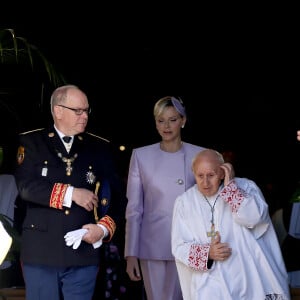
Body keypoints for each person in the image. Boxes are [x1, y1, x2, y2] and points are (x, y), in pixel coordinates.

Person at [14, 84, 124, 300]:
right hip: (41, 252)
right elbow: (26, 188)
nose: (84, 116)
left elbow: (118, 197)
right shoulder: (32, 142)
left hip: (83, 252)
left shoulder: (99, 148)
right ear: (58, 110)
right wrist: (71, 193)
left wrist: (102, 229)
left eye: (86, 111)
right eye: (78, 111)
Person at [171, 149, 290, 300]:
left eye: (211, 175)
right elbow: (179, 246)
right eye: (200, 176)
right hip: (209, 285)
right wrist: (208, 253)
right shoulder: (184, 202)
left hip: (250, 280)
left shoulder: (246, 187)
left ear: (222, 172)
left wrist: (231, 189)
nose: (205, 182)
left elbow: (255, 219)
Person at [124, 96, 205, 300]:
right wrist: (130, 253)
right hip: (152, 246)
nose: (166, 126)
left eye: (173, 119)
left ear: (183, 121)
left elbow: (211, 204)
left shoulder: (201, 155)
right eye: (161, 120)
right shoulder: (141, 156)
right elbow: (134, 210)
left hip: (190, 244)